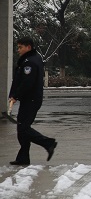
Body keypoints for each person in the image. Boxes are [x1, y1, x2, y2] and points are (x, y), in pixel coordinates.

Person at [8, 36, 57, 166]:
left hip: (31, 99)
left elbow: (27, 83)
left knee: (23, 128)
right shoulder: (33, 58)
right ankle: (23, 158)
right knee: (22, 128)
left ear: (28, 47)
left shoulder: (30, 62)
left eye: (20, 47)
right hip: (30, 99)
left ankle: (48, 143)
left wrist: (15, 95)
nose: (18, 50)